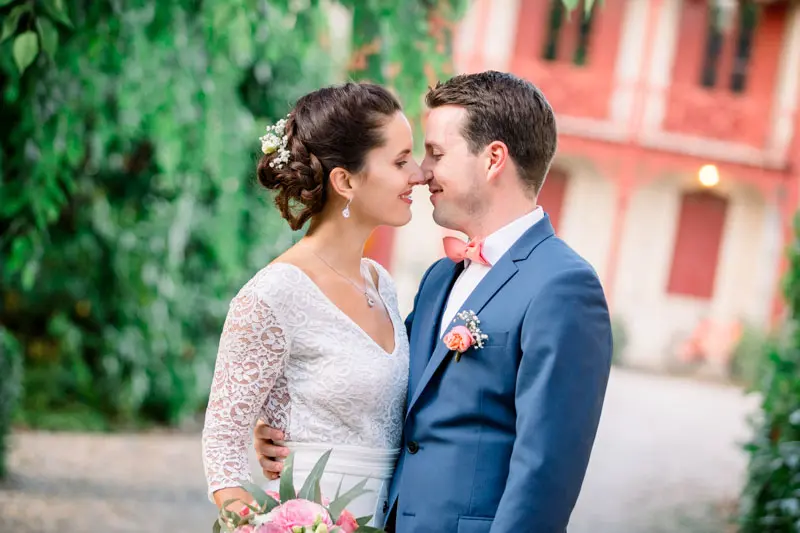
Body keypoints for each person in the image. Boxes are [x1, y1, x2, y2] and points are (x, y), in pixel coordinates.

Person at [255, 71, 613, 533]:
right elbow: (382, 380)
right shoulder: (440, 276)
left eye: (436, 154)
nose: (422, 173)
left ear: (493, 159)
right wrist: (292, 430)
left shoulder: (563, 287)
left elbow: (545, 472)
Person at [201, 82, 424, 526]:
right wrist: (275, 527)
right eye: (400, 161)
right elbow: (222, 450)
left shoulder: (382, 284)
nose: (418, 173)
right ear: (345, 181)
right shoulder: (274, 294)